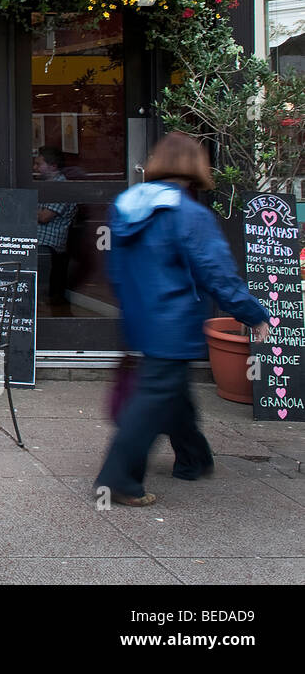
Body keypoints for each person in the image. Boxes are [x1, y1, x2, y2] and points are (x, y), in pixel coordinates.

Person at [95, 132, 271, 507]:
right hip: (172, 320)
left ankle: (193, 459)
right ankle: (118, 480)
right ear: (195, 165)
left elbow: (116, 268)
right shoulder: (189, 214)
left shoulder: (125, 207)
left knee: (172, 393)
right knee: (154, 398)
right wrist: (253, 314)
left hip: (139, 316)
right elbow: (217, 273)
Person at [34, 146, 77, 309]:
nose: (35, 168)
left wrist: (26, 206)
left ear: (53, 166)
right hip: (39, 240)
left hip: (49, 245)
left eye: (39, 164)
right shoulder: (46, 184)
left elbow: (45, 216)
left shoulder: (61, 186)